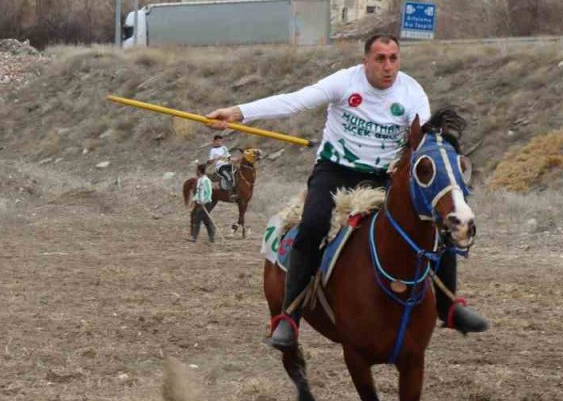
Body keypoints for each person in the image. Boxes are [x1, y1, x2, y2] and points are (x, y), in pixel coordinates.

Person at [206, 33, 487, 349]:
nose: (388, 66)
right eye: (380, 58)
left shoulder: (412, 92)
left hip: (383, 177)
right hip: (335, 172)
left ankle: (449, 308)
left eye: (393, 58)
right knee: (311, 226)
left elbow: (421, 140)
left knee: (434, 223)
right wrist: (237, 112)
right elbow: (293, 101)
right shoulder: (344, 82)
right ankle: (289, 317)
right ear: (366, 60)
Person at [189, 163, 216, 244]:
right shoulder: (200, 180)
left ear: (199, 171)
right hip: (201, 203)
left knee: (197, 218)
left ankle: (194, 237)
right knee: (206, 220)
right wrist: (194, 200)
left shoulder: (206, 180)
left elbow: (209, 192)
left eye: (197, 170)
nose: (196, 171)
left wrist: (204, 201)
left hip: (206, 203)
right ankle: (212, 236)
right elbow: (198, 192)